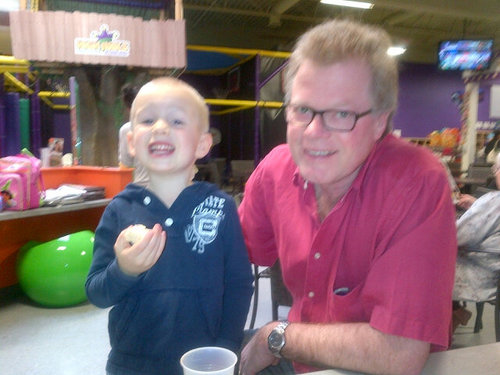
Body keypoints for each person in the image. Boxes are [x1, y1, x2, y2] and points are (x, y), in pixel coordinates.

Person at [238, 19, 457, 375]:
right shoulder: (275, 170)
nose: (313, 133)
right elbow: (228, 260)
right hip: (296, 361)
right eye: (303, 109)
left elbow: (398, 355)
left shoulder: (417, 182)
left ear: (380, 122)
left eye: (341, 114)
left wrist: (274, 337)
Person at [86, 77, 254, 375]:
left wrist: (227, 345)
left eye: (176, 120)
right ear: (131, 142)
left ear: (203, 143)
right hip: (131, 364)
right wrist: (123, 270)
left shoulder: (221, 207)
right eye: (148, 120)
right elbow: (97, 292)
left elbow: (239, 283)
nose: (160, 127)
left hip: (204, 360)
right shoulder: (118, 210)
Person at [452, 153, 500, 327]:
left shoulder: (493, 202)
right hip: (494, 270)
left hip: (480, 277)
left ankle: (448, 318)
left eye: (496, 168)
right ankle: (455, 312)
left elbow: (455, 238)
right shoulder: (492, 203)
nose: (495, 173)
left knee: (423, 266)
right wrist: (477, 205)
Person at [118, 83, 149, 187]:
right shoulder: (166, 126)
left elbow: (124, 167)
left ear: (129, 109)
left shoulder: (127, 129)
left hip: (142, 188)